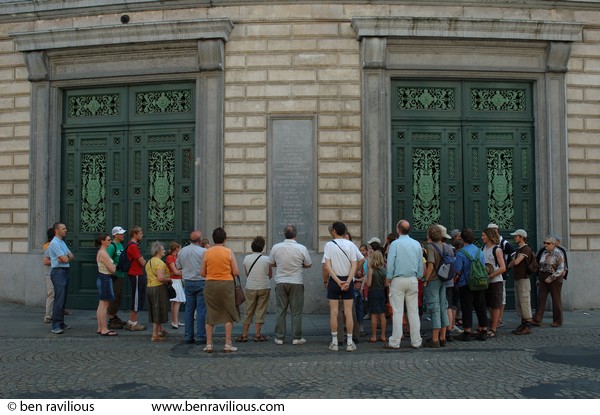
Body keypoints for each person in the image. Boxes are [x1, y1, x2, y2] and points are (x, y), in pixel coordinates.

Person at [269, 225, 312, 345]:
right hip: (296, 282)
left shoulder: (276, 247)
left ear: (284, 234)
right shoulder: (301, 248)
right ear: (295, 235)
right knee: (296, 311)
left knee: (280, 310)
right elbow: (308, 264)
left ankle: (279, 337)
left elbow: (271, 263)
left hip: (281, 282)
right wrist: (299, 265)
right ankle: (296, 337)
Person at [384, 219, 423, 349]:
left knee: (397, 312)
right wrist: (418, 276)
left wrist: (389, 277)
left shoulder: (395, 244)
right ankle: (416, 341)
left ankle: (395, 341)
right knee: (413, 312)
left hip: (398, 279)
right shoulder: (417, 244)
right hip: (412, 279)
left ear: (398, 230)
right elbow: (420, 263)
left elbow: (390, 263)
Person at [201, 227, 240, 353]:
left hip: (210, 284)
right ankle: (228, 344)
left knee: (210, 313)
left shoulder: (207, 252)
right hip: (226, 284)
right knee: (228, 314)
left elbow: (202, 273)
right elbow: (236, 271)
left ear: (213, 239)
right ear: (224, 239)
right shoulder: (228, 252)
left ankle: (209, 344)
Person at [324, 221, 358, 352]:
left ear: (334, 231)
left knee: (334, 312)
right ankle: (349, 342)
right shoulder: (351, 245)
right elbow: (354, 265)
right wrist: (348, 281)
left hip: (335, 280)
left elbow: (327, 266)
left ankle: (334, 342)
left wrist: (337, 281)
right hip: (347, 280)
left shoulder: (329, 245)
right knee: (348, 312)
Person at [454, 228, 488, 341]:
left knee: (467, 307)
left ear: (462, 239)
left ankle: (467, 331)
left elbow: (458, 270)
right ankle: (483, 330)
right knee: (481, 306)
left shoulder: (461, 253)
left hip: (466, 283)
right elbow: (483, 266)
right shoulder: (479, 251)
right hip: (480, 282)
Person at [236, 236, 272, 342]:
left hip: (251, 286)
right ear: (262, 247)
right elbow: (270, 275)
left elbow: (247, 273)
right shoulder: (267, 259)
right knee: (260, 310)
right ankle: (257, 334)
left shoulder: (247, 258)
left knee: (249, 310)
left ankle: (244, 334)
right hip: (264, 287)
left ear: (252, 247)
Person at [176, 230, 207, 345]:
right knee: (201, 310)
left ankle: (188, 336)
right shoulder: (204, 251)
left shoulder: (182, 251)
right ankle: (201, 336)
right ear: (200, 240)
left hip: (188, 282)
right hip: (201, 281)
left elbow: (178, 266)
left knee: (189, 310)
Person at [422, 224, 450, 348]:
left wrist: (425, 280)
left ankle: (434, 339)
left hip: (433, 280)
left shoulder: (430, 247)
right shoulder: (447, 247)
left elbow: (430, 266)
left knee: (434, 308)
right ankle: (443, 337)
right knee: (443, 306)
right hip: (444, 279)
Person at [47, 222, 75, 334]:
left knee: (62, 299)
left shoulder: (62, 242)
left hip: (63, 271)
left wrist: (65, 257)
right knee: (59, 299)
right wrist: (65, 257)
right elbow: (66, 259)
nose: (65, 230)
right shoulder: (54, 243)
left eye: (65, 228)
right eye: (63, 228)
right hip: (58, 272)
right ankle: (56, 325)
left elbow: (71, 256)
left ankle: (61, 322)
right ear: (56, 230)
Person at [532, 235, 565, 327]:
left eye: (548, 243)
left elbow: (561, 268)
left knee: (556, 299)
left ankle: (558, 321)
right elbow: (540, 266)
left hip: (554, 279)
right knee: (541, 298)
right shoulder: (544, 252)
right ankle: (537, 319)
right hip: (543, 278)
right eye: (544, 243)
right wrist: (539, 279)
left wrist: (551, 278)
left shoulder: (558, 253)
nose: (545, 244)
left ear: (554, 244)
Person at [487, 223, 515, 327]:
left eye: (494, 230)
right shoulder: (486, 244)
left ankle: (499, 319)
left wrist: (508, 267)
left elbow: (514, 254)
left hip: (500, 275)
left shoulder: (503, 242)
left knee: (500, 297)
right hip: (490, 274)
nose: (493, 232)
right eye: (490, 230)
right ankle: (493, 318)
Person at [507, 229, 535, 335]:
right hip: (518, 278)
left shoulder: (525, 249)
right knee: (519, 302)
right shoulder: (519, 250)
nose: (514, 238)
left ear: (521, 237)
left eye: (516, 236)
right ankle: (523, 323)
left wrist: (513, 261)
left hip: (524, 278)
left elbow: (517, 261)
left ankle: (527, 325)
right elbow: (512, 262)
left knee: (525, 301)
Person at [145, 241, 172, 342]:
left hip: (150, 287)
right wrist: (169, 279)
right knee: (158, 309)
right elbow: (161, 278)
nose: (164, 251)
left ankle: (160, 329)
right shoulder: (160, 263)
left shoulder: (149, 262)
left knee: (154, 309)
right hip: (158, 288)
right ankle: (155, 334)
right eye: (163, 249)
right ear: (159, 251)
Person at [482, 227, 506, 338]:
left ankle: (494, 328)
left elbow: (502, 268)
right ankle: (490, 324)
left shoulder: (497, 249)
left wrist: (491, 276)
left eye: (484, 235)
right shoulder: (483, 248)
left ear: (489, 236)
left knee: (495, 305)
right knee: (489, 305)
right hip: (486, 281)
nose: (482, 237)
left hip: (495, 281)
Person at [125, 225, 147, 331]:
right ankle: (133, 322)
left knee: (137, 296)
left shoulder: (133, 245)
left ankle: (131, 321)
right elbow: (141, 261)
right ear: (135, 234)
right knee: (136, 298)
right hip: (136, 273)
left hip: (135, 273)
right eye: (140, 233)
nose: (142, 234)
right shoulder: (133, 246)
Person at [95, 233, 118, 336]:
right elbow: (112, 269)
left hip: (102, 277)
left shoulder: (101, 252)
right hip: (105, 278)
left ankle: (100, 327)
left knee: (101, 304)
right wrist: (114, 265)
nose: (110, 241)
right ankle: (104, 329)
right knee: (105, 304)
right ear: (102, 241)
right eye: (108, 240)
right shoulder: (103, 253)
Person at [106, 226, 127, 330]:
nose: (123, 235)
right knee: (113, 297)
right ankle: (111, 319)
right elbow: (107, 260)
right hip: (114, 276)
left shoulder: (121, 246)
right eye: (121, 233)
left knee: (118, 297)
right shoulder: (112, 246)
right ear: (115, 235)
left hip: (121, 274)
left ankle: (114, 316)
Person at [366, 250, 387, 343]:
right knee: (382, 314)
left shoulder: (371, 270)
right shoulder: (384, 270)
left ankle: (374, 336)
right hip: (382, 292)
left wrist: (366, 278)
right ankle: (383, 335)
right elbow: (386, 284)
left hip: (373, 292)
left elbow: (369, 284)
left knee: (374, 315)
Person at [166, 241, 184, 329]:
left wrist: (180, 271)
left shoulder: (176, 257)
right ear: (176, 248)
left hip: (177, 280)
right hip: (174, 281)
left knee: (175, 302)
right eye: (179, 248)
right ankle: (175, 321)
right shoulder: (170, 257)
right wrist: (184, 272)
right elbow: (176, 271)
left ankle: (175, 320)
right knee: (176, 301)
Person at [42, 228, 54, 324]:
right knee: (51, 294)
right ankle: (48, 315)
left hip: (56, 273)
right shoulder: (49, 246)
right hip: (50, 273)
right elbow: (46, 261)